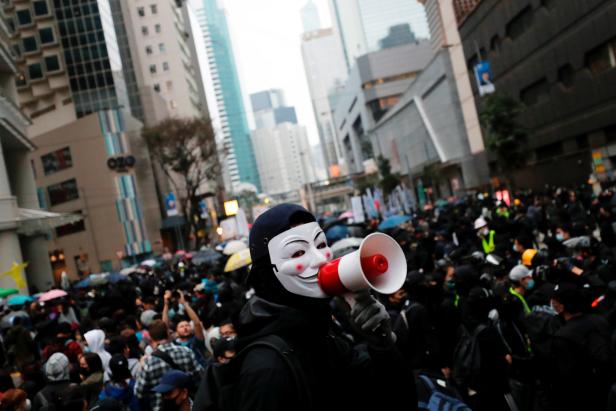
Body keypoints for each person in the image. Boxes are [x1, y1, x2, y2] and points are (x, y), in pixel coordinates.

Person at [196, 204, 414, 410]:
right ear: (267, 273)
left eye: (321, 245)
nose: (320, 259)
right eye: (298, 253)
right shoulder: (266, 369)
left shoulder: (324, 337)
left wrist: (382, 345)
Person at [549, 283, 616, 411]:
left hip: (588, 398)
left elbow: (568, 379)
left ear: (561, 306)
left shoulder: (562, 336)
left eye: (555, 301)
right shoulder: (599, 320)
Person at [134, 320, 202, 411]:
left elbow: (138, 392)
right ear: (168, 333)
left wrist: (141, 367)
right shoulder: (186, 351)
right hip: (186, 405)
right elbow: (201, 376)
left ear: (151, 338)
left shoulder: (148, 362)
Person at [162, 290, 206, 367]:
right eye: (181, 326)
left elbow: (197, 323)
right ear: (176, 332)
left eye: (187, 325)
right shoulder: (175, 344)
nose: (185, 327)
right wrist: (166, 304)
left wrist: (184, 303)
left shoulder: (197, 340)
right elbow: (164, 327)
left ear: (192, 329)